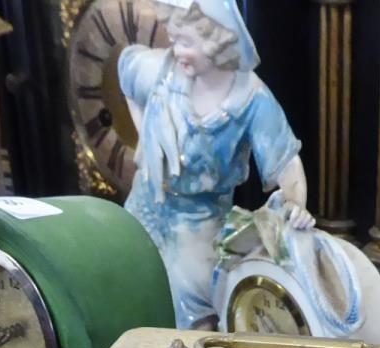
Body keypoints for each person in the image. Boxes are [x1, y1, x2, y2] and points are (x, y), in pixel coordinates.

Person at [120, 0, 314, 328]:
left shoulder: (251, 99)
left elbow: (286, 161)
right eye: (174, 38)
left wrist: (295, 203)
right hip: (142, 207)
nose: (175, 49)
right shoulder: (159, 71)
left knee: (198, 312)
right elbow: (125, 70)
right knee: (124, 286)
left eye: (186, 42)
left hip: (198, 224)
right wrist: (144, 141)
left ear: (215, 39)